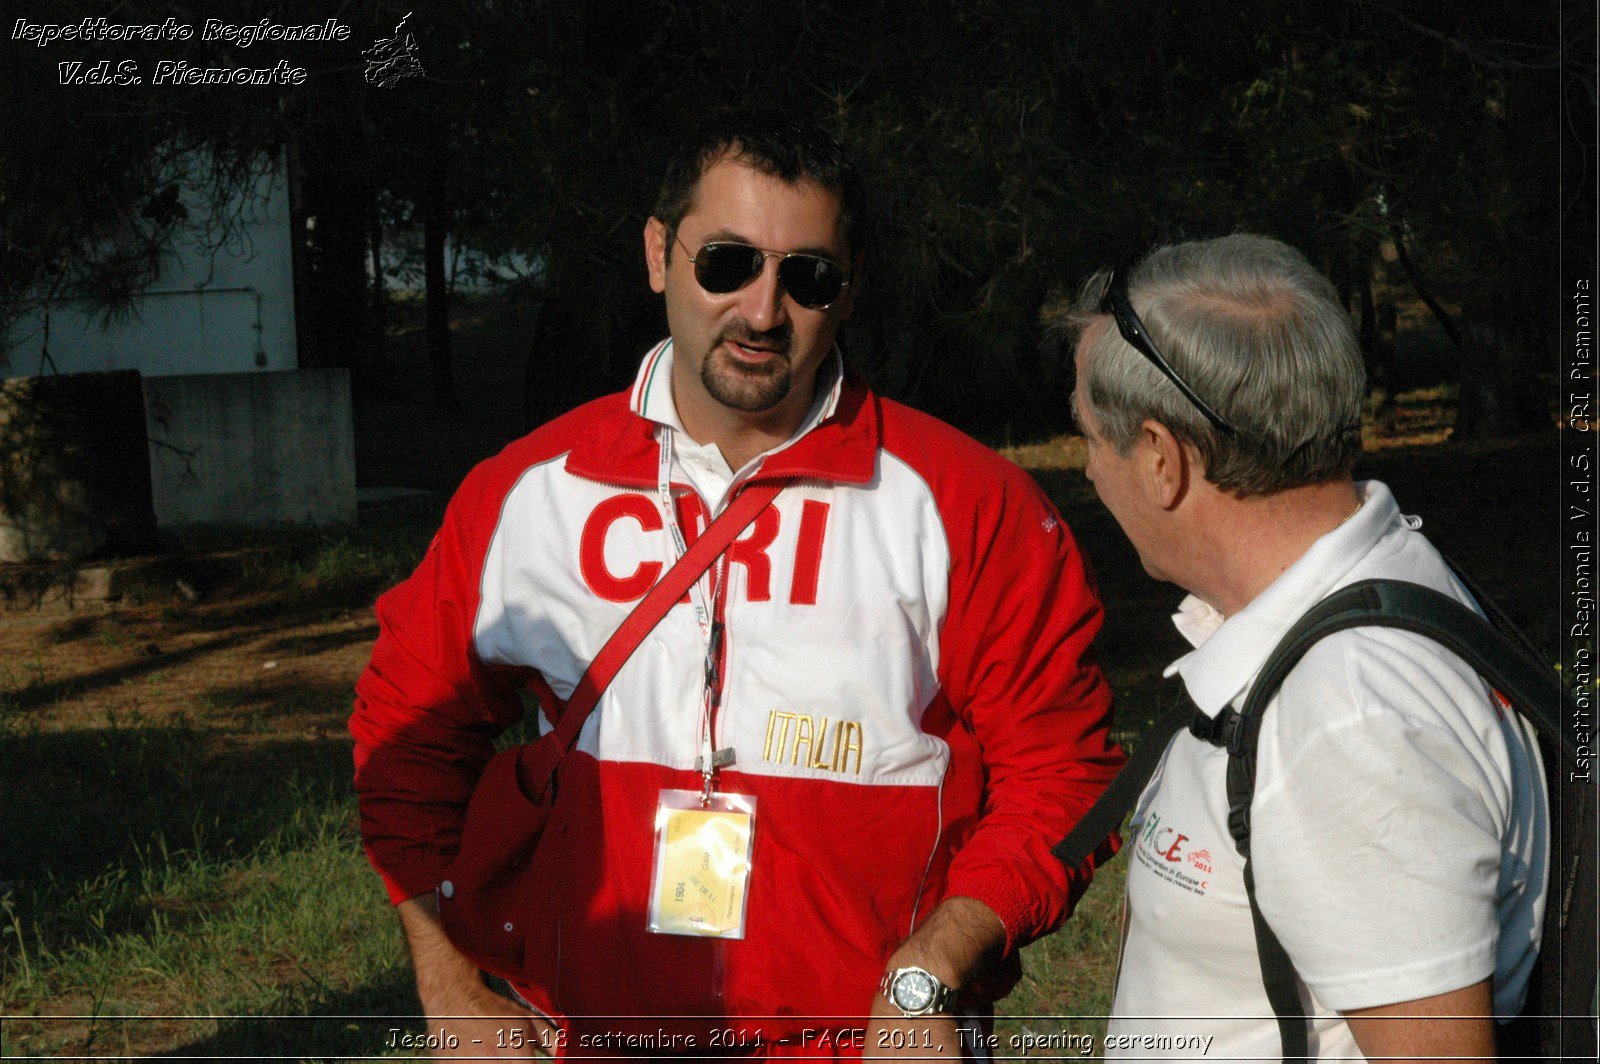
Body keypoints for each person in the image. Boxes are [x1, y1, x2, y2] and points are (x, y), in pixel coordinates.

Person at [350, 111, 1123, 1060]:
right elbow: (405, 732)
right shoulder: (527, 492)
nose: (762, 311)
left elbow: (1065, 775)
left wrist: (930, 971)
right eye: (727, 263)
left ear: (850, 290)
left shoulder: (966, 502)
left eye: (808, 276)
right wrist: (448, 984)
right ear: (656, 254)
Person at [1067, 234, 1549, 1063]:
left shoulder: (1344, 713)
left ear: (1159, 458)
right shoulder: (1378, 580)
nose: (1084, 468)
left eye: (1086, 434)